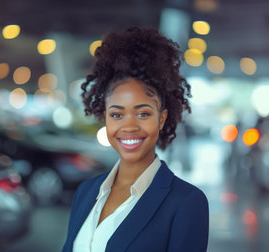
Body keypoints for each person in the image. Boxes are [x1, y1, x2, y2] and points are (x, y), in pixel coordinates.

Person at [62, 27, 209, 252]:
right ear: (105, 118)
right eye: (117, 115)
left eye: (143, 113)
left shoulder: (186, 202)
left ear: (161, 119)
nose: (129, 126)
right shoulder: (86, 191)